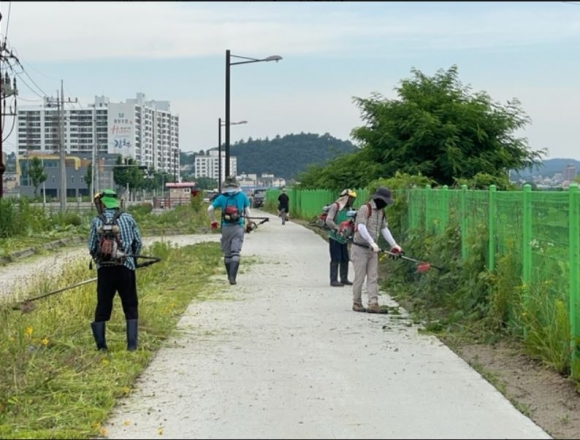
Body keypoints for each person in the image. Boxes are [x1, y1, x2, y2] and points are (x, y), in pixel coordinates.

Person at [88, 189, 143, 351]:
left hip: (105, 270)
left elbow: (92, 247)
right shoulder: (128, 218)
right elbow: (138, 243)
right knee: (130, 304)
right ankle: (131, 346)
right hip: (126, 267)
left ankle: (102, 347)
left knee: (103, 305)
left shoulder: (96, 221)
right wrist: (133, 260)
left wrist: (99, 258)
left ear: (103, 203)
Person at [350, 186, 402, 313]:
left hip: (373, 250)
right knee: (360, 277)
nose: (385, 204)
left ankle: (373, 303)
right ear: (378, 199)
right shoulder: (365, 209)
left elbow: (384, 229)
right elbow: (361, 227)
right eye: (384, 201)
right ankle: (357, 302)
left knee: (373, 276)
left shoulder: (381, 212)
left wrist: (394, 245)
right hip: (360, 248)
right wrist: (371, 242)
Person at [208, 176, 252, 285]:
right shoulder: (242, 196)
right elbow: (248, 212)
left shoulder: (222, 197)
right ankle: (233, 277)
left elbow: (210, 209)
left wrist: (213, 221)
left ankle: (229, 276)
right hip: (238, 227)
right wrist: (249, 223)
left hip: (226, 227)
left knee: (227, 254)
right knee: (235, 252)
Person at [325, 189, 357, 287]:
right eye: (350, 198)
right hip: (334, 236)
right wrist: (336, 228)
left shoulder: (349, 209)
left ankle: (344, 278)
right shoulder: (335, 206)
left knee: (345, 258)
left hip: (344, 237)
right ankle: (333, 280)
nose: (351, 201)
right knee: (335, 258)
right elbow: (329, 220)